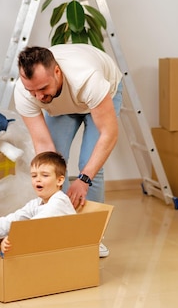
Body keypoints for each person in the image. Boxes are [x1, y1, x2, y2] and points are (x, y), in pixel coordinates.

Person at [14, 44, 123, 258]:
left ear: (57, 72)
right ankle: (59, 229)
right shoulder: (25, 92)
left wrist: (83, 179)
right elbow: (44, 146)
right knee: (52, 167)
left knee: (90, 166)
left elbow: (108, 134)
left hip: (98, 95)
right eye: (32, 91)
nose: (37, 96)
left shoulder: (88, 78)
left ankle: (92, 236)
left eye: (43, 88)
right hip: (62, 105)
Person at [0, 151, 76, 254]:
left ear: (59, 180)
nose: (38, 180)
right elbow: (11, 220)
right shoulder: (36, 203)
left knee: (12, 249)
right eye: (34, 176)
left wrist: (12, 238)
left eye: (45, 175)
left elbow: (36, 224)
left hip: (66, 253)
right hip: (50, 251)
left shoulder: (59, 201)